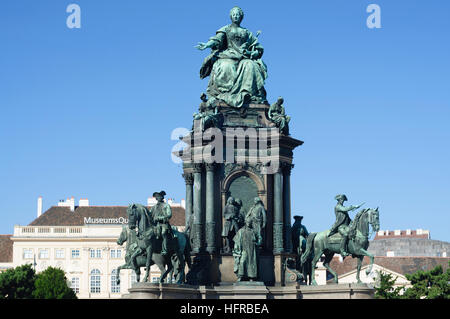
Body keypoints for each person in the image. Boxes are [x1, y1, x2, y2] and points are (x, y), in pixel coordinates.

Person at [195, 6, 267, 108]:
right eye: (234, 14)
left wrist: (253, 53)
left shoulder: (247, 32)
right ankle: (225, 93)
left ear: (241, 17)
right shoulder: (226, 29)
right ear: (231, 17)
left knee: (251, 65)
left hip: (243, 57)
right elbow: (217, 40)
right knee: (225, 66)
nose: (235, 16)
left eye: (238, 14)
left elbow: (257, 48)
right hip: (228, 55)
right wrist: (207, 45)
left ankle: (246, 94)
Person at [149, 191, 173, 256]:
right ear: (156, 198)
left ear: (162, 197)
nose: (159, 198)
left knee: (163, 232)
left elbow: (169, 215)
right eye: (157, 197)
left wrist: (160, 218)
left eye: (160, 196)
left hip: (163, 224)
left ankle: (165, 249)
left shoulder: (166, 205)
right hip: (155, 225)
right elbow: (149, 215)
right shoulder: (153, 207)